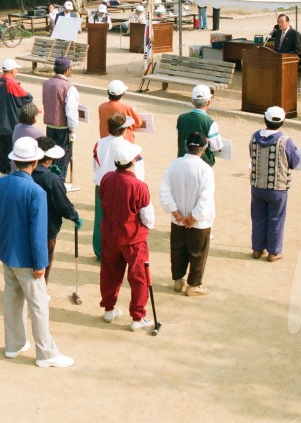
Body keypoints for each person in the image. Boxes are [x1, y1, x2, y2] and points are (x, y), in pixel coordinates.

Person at [0, 137, 73, 368]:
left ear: (15, 161)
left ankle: (14, 345)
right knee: (38, 306)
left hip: (7, 254)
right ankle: (45, 353)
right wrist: (40, 263)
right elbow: (38, 232)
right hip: (28, 258)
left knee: (12, 300)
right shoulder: (35, 191)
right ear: (35, 162)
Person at [98, 141, 154, 332]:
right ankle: (138, 317)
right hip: (133, 239)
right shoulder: (139, 185)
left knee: (109, 272)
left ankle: (108, 309)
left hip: (110, 234)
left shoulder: (106, 178)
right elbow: (147, 217)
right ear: (132, 162)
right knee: (139, 277)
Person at [160, 132, 215, 296]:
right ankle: (194, 284)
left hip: (178, 218)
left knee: (178, 249)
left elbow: (164, 190)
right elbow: (206, 197)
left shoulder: (174, 165)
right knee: (198, 252)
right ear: (203, 149)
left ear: (186, 147)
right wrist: (195, 216)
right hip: (197, 222)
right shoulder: (205, 169)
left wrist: (175, 212)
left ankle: (178, 280)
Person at [249, 106, 300, 262]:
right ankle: (274, 252)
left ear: (265, 119)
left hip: (257, 185)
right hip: (278, 186)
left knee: (258, 218)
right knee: (276, 219)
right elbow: (294, 161)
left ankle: (257, 249)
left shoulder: (254, 136)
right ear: (282, 122)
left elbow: (251, 153)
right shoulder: (285, 140)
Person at [92, 114, 144, 261]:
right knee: (122, 220)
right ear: (124, 129)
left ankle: (100, 251)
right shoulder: (130, 148)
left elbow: (95, 164)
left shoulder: (99, 143)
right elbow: (139, 172)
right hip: (124, 185)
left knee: (101, 219)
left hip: (102, 184)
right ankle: (118, 252)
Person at [32, 137, 79, 284]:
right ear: (48, 159)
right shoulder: (52, 179)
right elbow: (62, 203)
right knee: (44, 261)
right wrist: (74, 216)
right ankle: (41, 290)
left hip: (25, 224)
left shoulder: (27, 173)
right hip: (47, 227)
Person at [0, 59, 33, 174]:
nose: (16, 71)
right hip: (11, 121)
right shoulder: (12, 84)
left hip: (0, 121)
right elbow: (27, 97)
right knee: (11, 148)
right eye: (16, 69)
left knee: (1, 148)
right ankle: (10, 171)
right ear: (11, 70)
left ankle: (2, 170)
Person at [41, 57, 78, 177]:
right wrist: (72, 130)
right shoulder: (69, 87)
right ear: (67, 70)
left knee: (50, 155)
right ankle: (59, 182)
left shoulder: (46, 83)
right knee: (63, 157)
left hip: (50, 126)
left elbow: (44, 101)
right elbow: (70, 111)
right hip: (63, 128)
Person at [175, 85, 225, 165]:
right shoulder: (210, 122)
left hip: (182, 160)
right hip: (202, 163)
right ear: (209, 102)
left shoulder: (181, 118)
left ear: (192, 101)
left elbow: (180, 135)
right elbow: (216, 146)